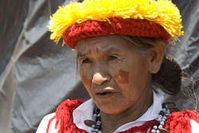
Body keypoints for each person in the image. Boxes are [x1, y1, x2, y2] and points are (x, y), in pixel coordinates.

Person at [37, 0, 199, 132]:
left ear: (153, 58)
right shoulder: (55, 127)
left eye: (112, 58)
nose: (97, 78)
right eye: (86, 61)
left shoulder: (187, 129)